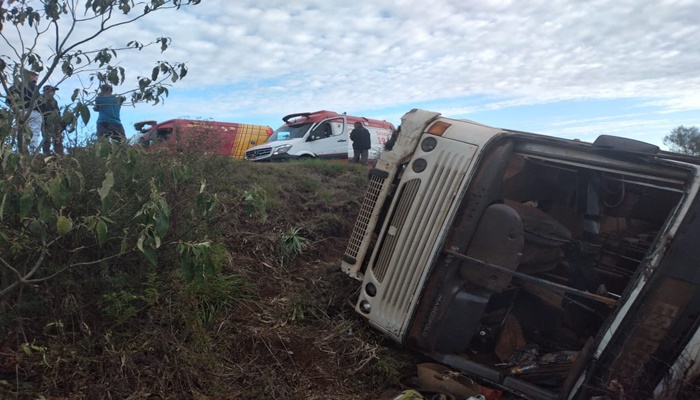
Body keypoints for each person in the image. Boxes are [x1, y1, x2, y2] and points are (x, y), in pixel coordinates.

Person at [6, 70, 42, 152]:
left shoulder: (14, 86)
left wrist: (14, 109)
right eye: (34, 76)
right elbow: (40, 101)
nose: (35, 78)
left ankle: (22, 153)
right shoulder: (33, 87)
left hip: (20, 113)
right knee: (34, 133)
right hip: (33, 112)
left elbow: (8, 100)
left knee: (22, 133)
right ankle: (33, 152)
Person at [38, 85, 64, 155]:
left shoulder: (54, 101)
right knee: (46, 139)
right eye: (51, 90)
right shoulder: (41, 99)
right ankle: (46, 154)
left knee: (58, 139)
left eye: (53, 90)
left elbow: (57, 111)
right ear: (46, 91)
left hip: (55, 123)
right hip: (45, 122)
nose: (53, 92)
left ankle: (59, 155)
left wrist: (60, 121)